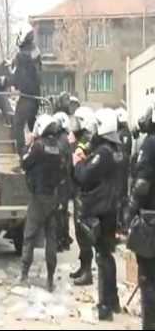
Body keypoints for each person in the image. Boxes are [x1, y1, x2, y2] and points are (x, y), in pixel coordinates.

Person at [74, 108, 123, 321]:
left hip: (101, 210)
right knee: (108, 255)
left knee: (102, 258)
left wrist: (78, 162)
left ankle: (104, 307)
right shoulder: (118, 150)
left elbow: (84, 177)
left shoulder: (103, 153)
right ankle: (114, 301)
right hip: (112, 209)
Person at [19, 114, 62, 292]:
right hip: (53, 197)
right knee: (51, 240)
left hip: (38, 198)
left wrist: (27, 145)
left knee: (29, 237)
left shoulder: (38, 147)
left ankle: (23, 275)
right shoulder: (57, 147)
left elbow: (24, 162)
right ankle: (50, 279)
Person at [125, 104, 155, 330]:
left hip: (151, 218)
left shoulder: (151, 143)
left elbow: (142, 184)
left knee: (148, 279)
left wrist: (130, 212)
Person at [69, 106, 97, 286]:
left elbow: (81, 170)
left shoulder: (86, 143)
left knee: (83, 232)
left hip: (84, 193)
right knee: (79, 232)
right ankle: (83, 266)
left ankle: (87, 271)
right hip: (79, 192)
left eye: (78, 121)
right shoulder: (82, 141)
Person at [12, 23, 42, 161]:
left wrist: (7, 80)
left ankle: (22, 154)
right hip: (35, 97)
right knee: (32, 125)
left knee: (17, 124)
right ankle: (36, 152)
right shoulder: (35, 50)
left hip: (26, 96)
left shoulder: (21, 55)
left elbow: (18, 79)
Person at [53, 111, 73, 251]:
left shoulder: (61, 140)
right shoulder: (64, 138)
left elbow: (61, 162)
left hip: (61, 182)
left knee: (59, 212)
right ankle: (65, 239)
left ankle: (60, 240)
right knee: (63, 212)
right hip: (65, 181)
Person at [116, 107, 132, 231]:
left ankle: (123, 223)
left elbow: (124, 152)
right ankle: (121, 223)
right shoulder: (123, 132)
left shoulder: (124, 133)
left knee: (121, 197)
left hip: (121, 169)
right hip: (121, 169)